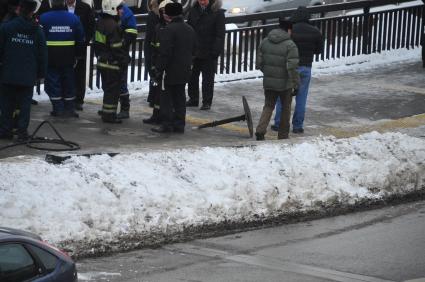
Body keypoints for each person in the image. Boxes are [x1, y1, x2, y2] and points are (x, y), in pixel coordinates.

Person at [0, 0, 47, 141]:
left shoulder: (6, 28)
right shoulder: (37, 31)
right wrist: (41, 74)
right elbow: (42, 54)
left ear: (19, 9)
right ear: (32, 12)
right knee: (25, 105)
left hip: (8, 73)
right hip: (27, 75)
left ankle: (5, 130)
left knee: (7, 104)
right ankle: (22, 132)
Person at [272, 6, 323, 134]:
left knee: (283, 96)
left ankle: (278, 123)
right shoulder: (315, 31)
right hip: (306, 68)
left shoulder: (290, 30)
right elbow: (318, 50)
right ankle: (297, 126)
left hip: (290, 67)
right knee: (302, 97)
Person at [151, 1, 195, 133]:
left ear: (169, 15)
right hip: (185, 70)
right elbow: (194, 50)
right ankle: (179, 124)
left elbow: (165, 53)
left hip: (169, 71)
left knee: (166, 99)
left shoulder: (168, 30)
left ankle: (167, 124)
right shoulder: (189, 29)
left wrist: (158, 69)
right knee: (180, 98)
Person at [255, 16, 299, 141]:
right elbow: (292, 68)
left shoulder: (265, 41)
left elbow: (259, 63)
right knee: (286, 108)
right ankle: (283, 135)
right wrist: (296, 85)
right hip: (285, 84)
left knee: (268, 105)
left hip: (268, 81)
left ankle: (260, 130)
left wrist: (268, 72)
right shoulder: (290, 45)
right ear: (288, 30)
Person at [39, 0, 85, 118]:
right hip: (68, 56)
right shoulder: (73, 18)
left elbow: (39, 37)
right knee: (69, 82)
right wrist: (78, 55)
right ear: (63, 4)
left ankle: (57, 108)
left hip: (51, 56)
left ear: (52, 4)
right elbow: (80, 39)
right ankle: (69, 109)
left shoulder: (44, 18)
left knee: (54, 82)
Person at [186, 0, 225, 110]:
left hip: (209, 51)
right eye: (200, 0)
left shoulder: (217, 13)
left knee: (207, 78)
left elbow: (220, 35)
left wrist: (215, 51)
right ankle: (193, 98)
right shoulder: (193, 10)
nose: (202, 2)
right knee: (192, 76)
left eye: (204, 0)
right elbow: (189, 28)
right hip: (195, 50)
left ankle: (207, 101)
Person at [94, 0, 128, 123]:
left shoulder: (100, 22)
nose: (122, 11)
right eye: (120, 8)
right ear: (113, 9)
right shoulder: (114, 26)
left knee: (107, 89)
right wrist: (124, 60)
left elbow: (97, 45)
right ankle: (109, 116)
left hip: (103, 62)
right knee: (112, 92)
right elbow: (117, 48)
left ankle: (106, 111)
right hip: (113, 64)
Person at [143, 0, 171, 125]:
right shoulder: (156, 22)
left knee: (165, 93)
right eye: (163, 12)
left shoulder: (173, 26)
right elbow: (150, 43)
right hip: (158, 63)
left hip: (168, 66)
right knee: (157, 91)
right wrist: (152, 64)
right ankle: (156, 115)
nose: (165, 14)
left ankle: (165, 117)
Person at [65, 0, 95, 111]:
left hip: (79, 46)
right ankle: (67, 98)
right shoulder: (61, 7)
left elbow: (91, 26)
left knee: (79, 74)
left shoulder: (85, 8)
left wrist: (85, 41)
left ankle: (78, 100)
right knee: (66, 72)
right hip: (64, 47)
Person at [115, 0, 137, 119]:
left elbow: (132, 33)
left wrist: (121, 44)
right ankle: (111, 108)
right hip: (113, 54)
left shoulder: (126, 13)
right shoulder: (112, 10)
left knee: (121, 83)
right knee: (112, 83)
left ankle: (125, 109)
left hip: (120, 55)